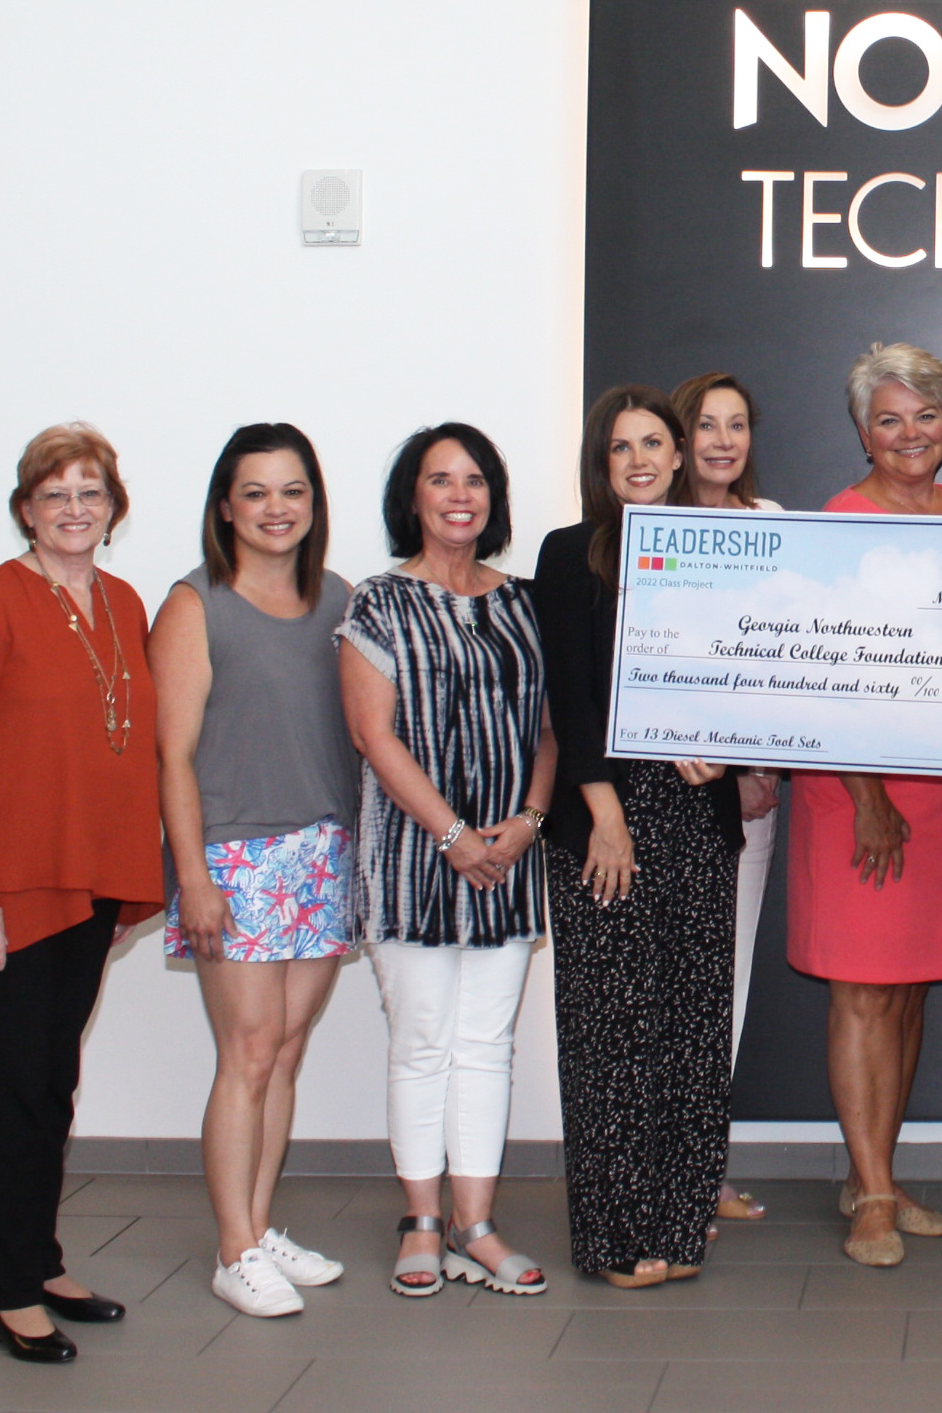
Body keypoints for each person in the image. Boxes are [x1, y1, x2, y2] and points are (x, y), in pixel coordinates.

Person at [0, 424, 163, 1364]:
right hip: (3, 896)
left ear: (114, 508)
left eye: (91, 493)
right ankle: (8, 1292)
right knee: (14, 1092)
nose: (74, 509)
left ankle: (42, 1257)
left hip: (89, 885)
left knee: (52, 1086)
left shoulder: (124, 600)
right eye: (55, 494)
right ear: (26, 507)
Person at [787, 343, 942, 1267]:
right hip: (855, 789)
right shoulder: (839, 521)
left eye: (926, 415)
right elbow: (824, 673)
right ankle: (870, 1193)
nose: (910, 434)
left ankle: (879, 1170)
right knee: (863, 990)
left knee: (908, 992)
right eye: (889, 419)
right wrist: (866, 795)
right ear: (862, 431)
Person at [338, 424, 556, 1299]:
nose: (460, 494)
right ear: (413, 497)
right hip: (414, 865)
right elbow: (372, 734)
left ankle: (477, 1225)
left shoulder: (525, 602)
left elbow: (550, 728)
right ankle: (422, 1223)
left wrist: (529, 821)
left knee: (486, 1047)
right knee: (423, 1044)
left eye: (475, 479)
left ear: (493, 497)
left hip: (508, 859)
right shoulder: (378, 604)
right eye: (441, 480)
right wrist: (451, 835)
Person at [152, 424, 360, 1319]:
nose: (277, 510)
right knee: (243, 1054)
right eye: (256, 493)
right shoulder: (195, 606)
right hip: (235, 858)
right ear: (225, 507)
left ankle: (259, 1223)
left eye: (293, 492)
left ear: (314, 504)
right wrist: (193, 878)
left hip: (325, 851)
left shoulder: (340, 599)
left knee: (284, 1051)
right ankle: (233, 1251)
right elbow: (172, 759)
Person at [535, 385, 740, 1286]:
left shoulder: (724, 548)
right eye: (620, 448)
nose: (640, 460)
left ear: (682, 452)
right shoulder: (565, 554)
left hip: (698, 815)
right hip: (603, 820)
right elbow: (568, 697)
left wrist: (729, 747)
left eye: (655, 442)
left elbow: (759, 671)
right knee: (612, 1032)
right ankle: (620, 1237)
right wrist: (606, 817)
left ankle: (679, 1226)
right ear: (600, 463)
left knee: (692, 1026)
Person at [672, 369, 783, 1229]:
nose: (722, 441)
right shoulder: (646, 528)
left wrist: (759, 767)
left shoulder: (773, 529)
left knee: (725, 982)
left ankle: (704, 1172)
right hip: (654, 797)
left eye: (736, 424)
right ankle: (659, 1173)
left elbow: (789, 664)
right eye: (705, 424)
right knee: (664, 984)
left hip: (747, 801)